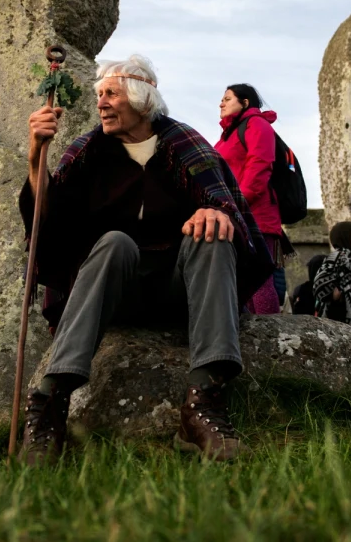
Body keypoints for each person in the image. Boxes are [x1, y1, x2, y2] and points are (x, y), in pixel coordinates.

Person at [18, 55, 273, 464]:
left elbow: (230, 206)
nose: (100, 103)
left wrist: (216, 213)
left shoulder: (185, 144)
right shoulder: (88, 151)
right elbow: (47, 219)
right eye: (99, 94)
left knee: (211, 232)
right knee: (115, 241)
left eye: (110, 93)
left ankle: (202, 405)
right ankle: (49, 406)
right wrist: (36, 156)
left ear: (140, 99)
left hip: (180, 290)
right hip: (115, 289)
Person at [215, 83, 287, 311]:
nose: (221, 103)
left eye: (227, 98)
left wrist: (236, 204)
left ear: (245, 102)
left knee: (259, 279)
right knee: (241, 278)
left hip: (255, 215)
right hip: (235, 214)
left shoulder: (257, 124)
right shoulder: (228, 134)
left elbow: (259, 166)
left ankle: (271, 335)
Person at [311, 222, 351, 333]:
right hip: (340, 318)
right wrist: (335, 293)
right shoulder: (338, 256)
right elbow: (319, 283)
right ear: (344, 235)